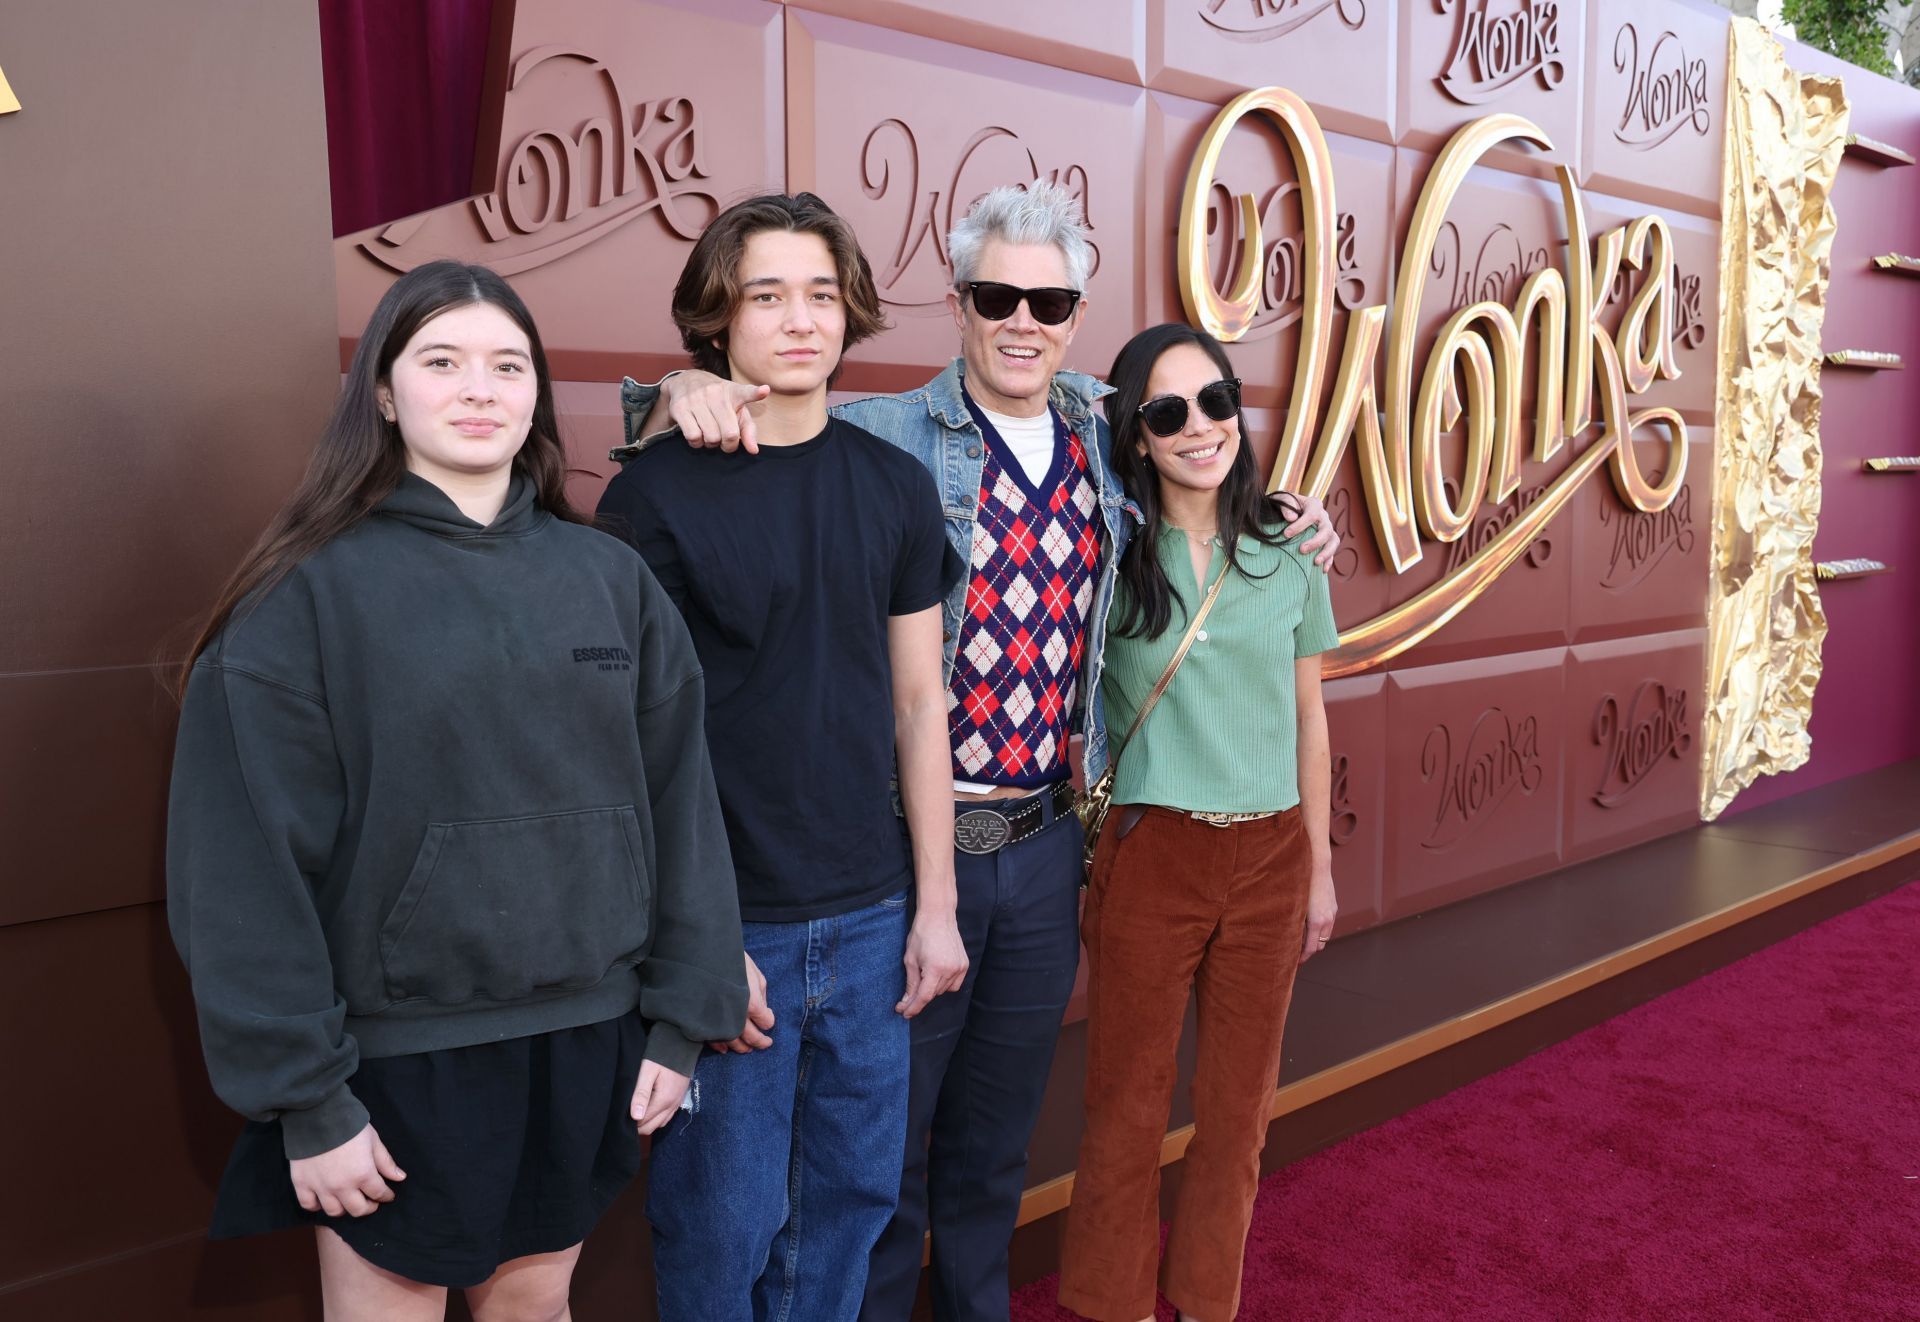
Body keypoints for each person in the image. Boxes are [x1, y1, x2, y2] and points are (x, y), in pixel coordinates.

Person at [626, 182, 1341, 1321]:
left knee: (990, 1151)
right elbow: (729, 429)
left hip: (1049, 843)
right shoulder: (886, 432)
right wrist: (681, 390)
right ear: (957, 301)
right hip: (910, 849)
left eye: (1048, 298)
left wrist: (1295, 516)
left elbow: (1207, 467)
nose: (1023, 319)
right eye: (997, 294)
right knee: (877, 1156)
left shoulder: (1110, 437)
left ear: (1074, 311)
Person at [165, 261, 748, 1321]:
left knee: (533, 1306)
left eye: (507, 364)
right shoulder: (307, 599)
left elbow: (681, 808)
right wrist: (309, 1097)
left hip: (586, 1041)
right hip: (391, 1064)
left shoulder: (610, 579)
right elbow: (239, 870)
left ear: (534, 394)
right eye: (442, 361)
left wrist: (677, 1019)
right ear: (383, 393)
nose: (479, 387)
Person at [596, 193, 967, 1321]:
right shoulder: (651, 495)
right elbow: (625, 745)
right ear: (719, 319)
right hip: (734, 928)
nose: (799, 319)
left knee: (851, 1206)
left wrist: (935, 905)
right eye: (767, 294)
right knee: (722, 1222)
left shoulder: (894, 486)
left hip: (872, 920)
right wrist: (697, 939)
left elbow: (918, 702)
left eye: (819, 292)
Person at [1057, 324, 1339, 1322]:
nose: (1198, 426)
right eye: (1165, 411)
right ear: (1135, 434)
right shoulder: (1105, 548)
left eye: (1214, 399)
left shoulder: (1292, 553)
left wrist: (1322, 868)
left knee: (1237, 1114)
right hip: (1152, 852)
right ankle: (1114, 1303)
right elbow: (1043, 409)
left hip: (1271, 855)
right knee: (1125, 1110)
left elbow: (1310, 718)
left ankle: (1207, 1300)